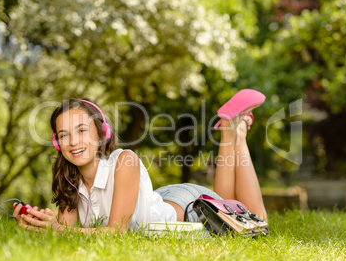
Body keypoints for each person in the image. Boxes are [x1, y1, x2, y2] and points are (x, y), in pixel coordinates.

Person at [14, 89, 267, 233]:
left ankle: (234, 134)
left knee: (253, 219)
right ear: (58, 144)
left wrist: (59, 230)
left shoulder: (125, 161)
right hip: (160, 197)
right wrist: (40, 223)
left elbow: (115, 234)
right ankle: (230, 128)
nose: (73, 141)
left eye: (81, 130)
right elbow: (66, 232)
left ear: (102, 133)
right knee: (227, 202)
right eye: (64, 135)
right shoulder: (70, 179)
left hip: (187, 205)